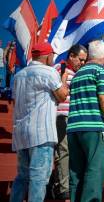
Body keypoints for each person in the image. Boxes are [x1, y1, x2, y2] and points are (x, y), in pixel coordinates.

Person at [10, 42, 68, 202]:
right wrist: (63, 80)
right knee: (39, 179)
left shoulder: (19, 75)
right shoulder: (49, 72)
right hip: (41, 133)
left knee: (22, 177)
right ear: (48, 56)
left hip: (22, 132)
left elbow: (15, 102)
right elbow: (62, 95)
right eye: (52, 55)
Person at [67, 40, 104, 202]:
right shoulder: (102, 70)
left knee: (76, 173)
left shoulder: (78, 74)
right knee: (95, 171)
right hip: (93, 127)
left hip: (74, 128)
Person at [50, 44, 87, 200]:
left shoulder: (76, 72)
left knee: (68, 152)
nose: (83, 63)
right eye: (81, 59)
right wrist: (64, 78)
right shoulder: (60, 68)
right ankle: (63, 188)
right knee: (64, 151)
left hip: (73, 118)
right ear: (71, 56)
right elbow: (57, 92)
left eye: (85, 60)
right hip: (60, 116)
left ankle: (56, 184)